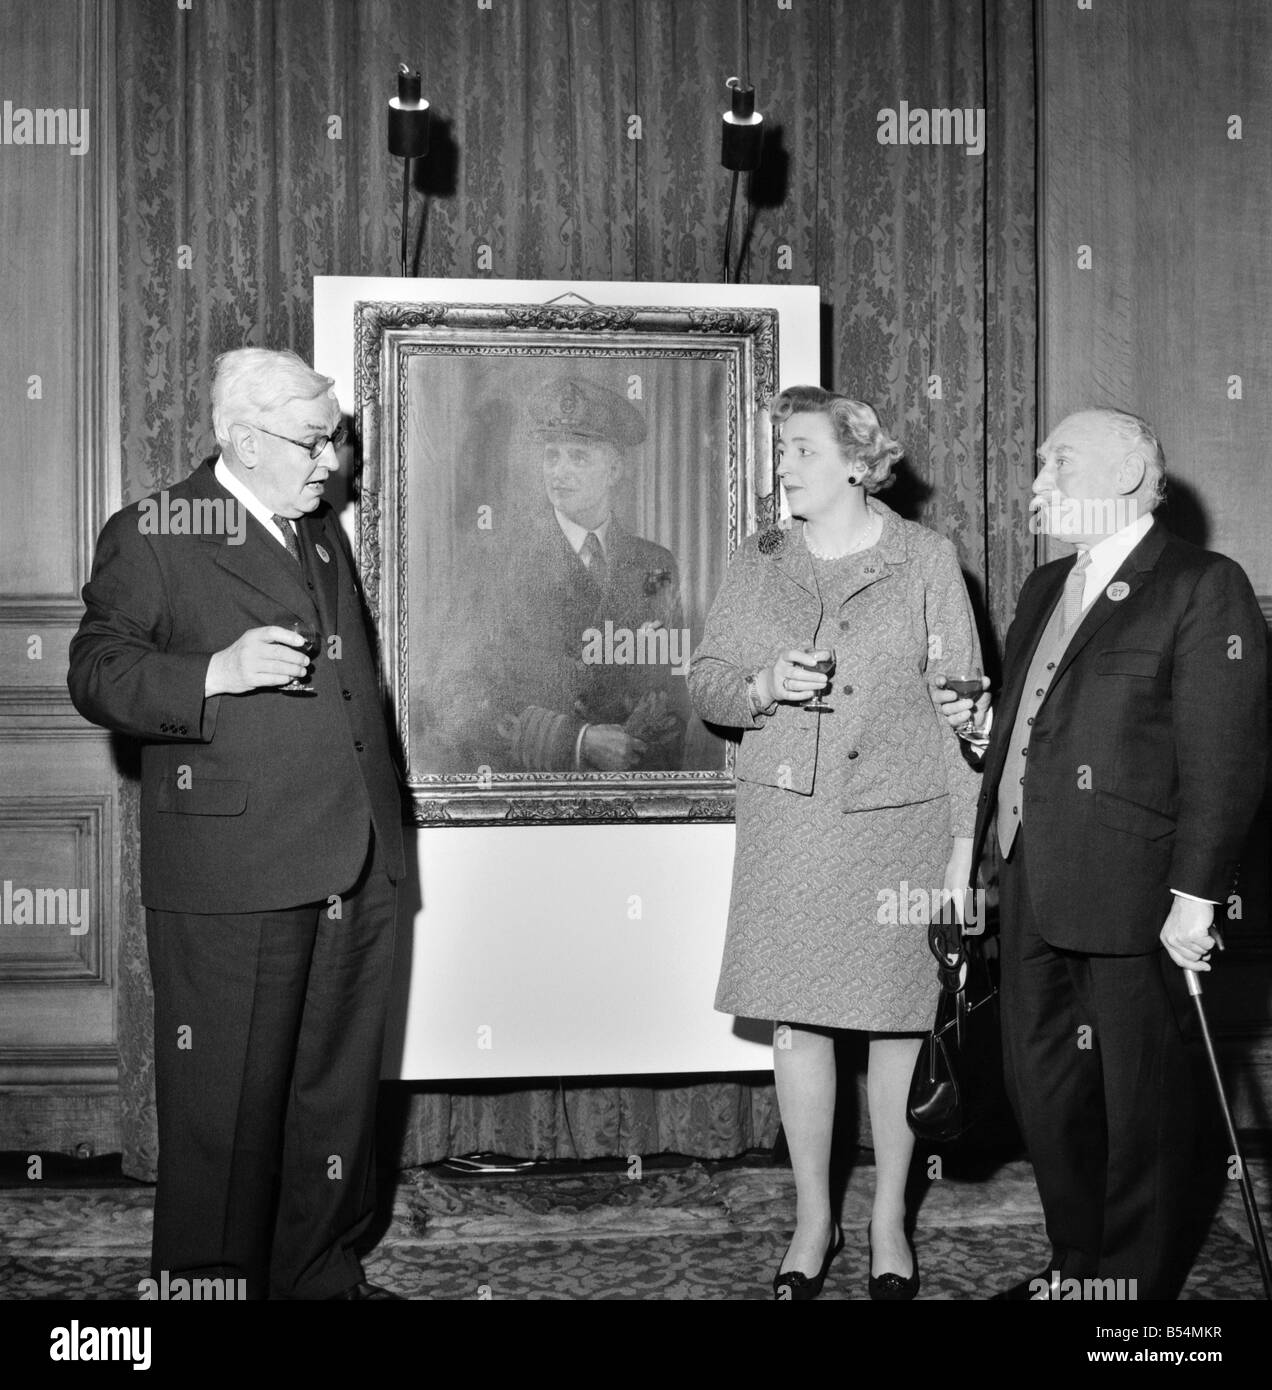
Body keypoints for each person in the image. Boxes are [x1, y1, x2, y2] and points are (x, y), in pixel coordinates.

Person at [67, 348, 406, 1300]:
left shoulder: (317, 531)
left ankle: (321, 1279)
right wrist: (212, 673)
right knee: (224, 1109)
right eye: (313, 441)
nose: (333, 461)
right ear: (244, 440)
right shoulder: (156, 530)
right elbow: (94, 670)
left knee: (332, 1102)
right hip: (231, 870)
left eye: (334, 439)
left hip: (354, 860)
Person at [934, 408, 1267, 1299]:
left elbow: (1226, 757)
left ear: (1125, 474)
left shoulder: (1203, 585)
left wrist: (1197, 898)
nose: (1037, 479)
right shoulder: (1047, 584)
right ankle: (1077, 1269)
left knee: (1142, 1108)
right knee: (1044, 1092)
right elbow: (1042, 725)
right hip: (1026, 878)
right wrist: (984, 741)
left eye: (1058, 461)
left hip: (1137, 894)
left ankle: (1130, 1293)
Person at [689, 385, 983, 1300]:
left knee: (902, 1025)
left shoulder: (926, 559)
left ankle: (890, 1215)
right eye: (781, 451)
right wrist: (765, 684)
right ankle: (813, 1218)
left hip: (902, 823)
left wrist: (966, 842)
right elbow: (708, 686)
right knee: (798, 1022)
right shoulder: (759, 560)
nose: (786, 466)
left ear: (858, 461)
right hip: (791, 822)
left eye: (803, 450)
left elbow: (960, 705)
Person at [456, 375, 689, 773]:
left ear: (614, 469)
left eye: (578, 457)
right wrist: (578, 742)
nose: (559, 472)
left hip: (631, 794)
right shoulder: (502, 562)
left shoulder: (655, 565)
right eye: (552, 456)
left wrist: (632, 753)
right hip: (533, 793)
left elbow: (671, 696)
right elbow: (464, 698)